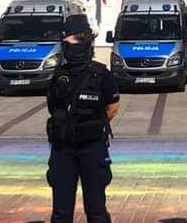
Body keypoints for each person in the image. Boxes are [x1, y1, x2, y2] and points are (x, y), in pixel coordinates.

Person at [46, 22, 120, 223]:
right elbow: (53, 106)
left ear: (83, 44)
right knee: (61, 211)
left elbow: (112, 108)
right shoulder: (59, 75)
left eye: (70, 43)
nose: (67, 48)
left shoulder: (102, 74)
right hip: (63, 147)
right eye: (64, 44)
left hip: (92, 146)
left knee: (96, 209)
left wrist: (90, 124)